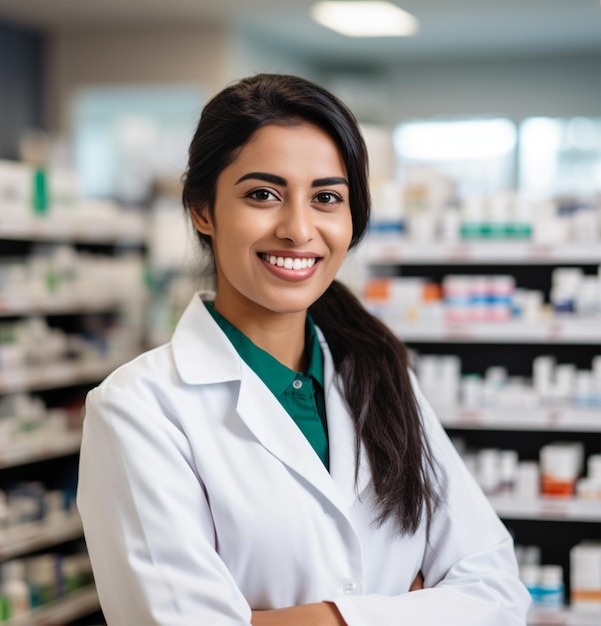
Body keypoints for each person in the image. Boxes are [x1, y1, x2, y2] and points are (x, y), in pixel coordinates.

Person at [77, 73, 530, 625]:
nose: (298, 229)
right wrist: (403, 609)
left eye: (326, 197)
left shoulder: (381, 376)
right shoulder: (139, 408)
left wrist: (292, 618)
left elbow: (499, 594)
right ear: (202, 209)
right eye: (263, 194)